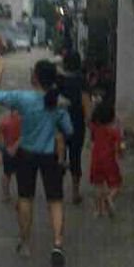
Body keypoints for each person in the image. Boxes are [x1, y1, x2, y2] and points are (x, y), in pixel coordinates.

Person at [0, 54, 74, 267]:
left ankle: (25, 242)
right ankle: (57, 244)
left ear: (36, 78)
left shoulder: (23, 98)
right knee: (55, 201)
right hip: (50, 156)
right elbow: (69, 130)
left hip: (27, 154)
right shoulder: (59, 103)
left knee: (25, 198)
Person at [57, 50, 91, 205]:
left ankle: (57, 190)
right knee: (75, 157)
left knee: (59, 156)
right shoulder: (82, 81)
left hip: (60, 124)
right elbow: (86, 103)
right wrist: (90, 123)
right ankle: (75, 193)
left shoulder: (59, 80)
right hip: (77, 124)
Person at [89, 92, 124, 218]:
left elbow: (92, 137)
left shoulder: (94, 128)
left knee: (98, 185)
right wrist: (120, 153)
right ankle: (109, 198)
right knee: (116, 185)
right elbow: (120, 144)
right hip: (109, 160)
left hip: (95, 159)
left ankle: (99, 210)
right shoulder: (114, 131)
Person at [0, 107, 21, 202]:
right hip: (18, 150)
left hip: (9, 150)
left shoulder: (4, 122)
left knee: (7, 174)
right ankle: (18, 195)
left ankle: (6, 194)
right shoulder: (23, 121)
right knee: (14, 174)